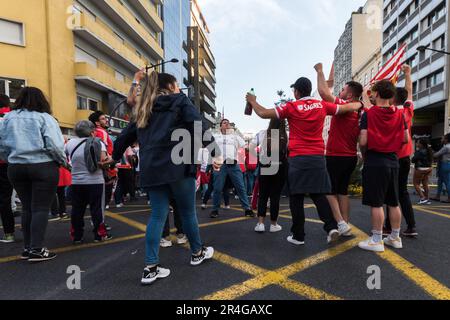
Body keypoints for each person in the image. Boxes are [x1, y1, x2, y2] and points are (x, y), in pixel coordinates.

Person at [114, 70, 218, 285]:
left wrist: (113, 158)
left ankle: (150, 267)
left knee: (157, 215)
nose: (178, 88)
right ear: (171, 86)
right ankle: (197, 253)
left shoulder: (144, 108)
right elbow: (198, 125)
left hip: (152, 168)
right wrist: (215, 152)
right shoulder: (179, 100)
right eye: (177, 84)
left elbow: (124, 136)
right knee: (188, 212)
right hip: (179, 165)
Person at [246, 75, 363, 245]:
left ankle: (298, 236)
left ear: (297, 92)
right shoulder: (322, 105)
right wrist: (359, 103)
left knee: (296, 197)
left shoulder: (292, 106)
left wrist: (252, 101)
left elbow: (263, 113)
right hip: (317, 157)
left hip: (298, 158)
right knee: (319, 195)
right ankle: (331, 227)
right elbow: (346, 108)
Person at [0, 87, 67, 262]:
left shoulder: (7, 118)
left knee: (27, 207)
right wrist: (63, 162)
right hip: (42, 165)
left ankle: (28, 248)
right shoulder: (45, 118)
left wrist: (10, 159)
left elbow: (2, 145)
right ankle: (37, 249)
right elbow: (54, 145)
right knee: (40, 208)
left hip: (15, 166)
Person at [358, 80, 409, 253]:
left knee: (377, 203)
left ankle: (377, 239)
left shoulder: (369, 114)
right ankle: (395, 237)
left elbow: (363, 140)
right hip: (393, 160)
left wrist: (364, 153)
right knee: (394, 202)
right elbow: (405, 139)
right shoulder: (399, 114)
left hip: (375, 160)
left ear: (377, 94)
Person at [316, 63, 363, 236]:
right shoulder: (358, 110)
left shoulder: (346, 105)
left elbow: (324, 93)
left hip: (336, 156)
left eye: (342, 89)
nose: (340, 92)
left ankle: (341, 223)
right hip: (350, 157)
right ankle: (346, 224)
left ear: (349, 94)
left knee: (328, 190)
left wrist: (320, 71)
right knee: (342, 191)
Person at [65, 121, 113, 244]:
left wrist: (72, 169)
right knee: (97, 208)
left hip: (76, 181)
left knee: (77, 209)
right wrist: (111, 163)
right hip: (95, 181)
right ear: (92, 131)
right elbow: (103, 161)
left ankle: (77, 235)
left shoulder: (70, 143)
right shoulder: (98, 142)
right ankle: (99, 234)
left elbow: (63, 159)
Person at [385, 65, 417, 237]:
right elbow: (409, 91)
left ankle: (388, 226)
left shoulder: (391, 113)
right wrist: (407, 74)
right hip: (405, 157)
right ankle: (411, 226)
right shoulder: (407, 111)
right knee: (402, 191)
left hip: (392, 157)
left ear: (393, 99)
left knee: (391, 193)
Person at [210, 119, 254, 219]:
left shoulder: (235, 136)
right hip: (220, 164)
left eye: (228, 123)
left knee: (241, 187)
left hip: (234, 164)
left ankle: (247, 209)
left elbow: (245, 146)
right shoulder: (216, 137)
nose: (227, 124)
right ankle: (214, 210)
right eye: (224, 123)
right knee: (217, 188)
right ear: (220, 126)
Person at [251, 118, 288, 233]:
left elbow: (251, 147)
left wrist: (258, 159)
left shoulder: (262, 133)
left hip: (265, 165)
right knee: (275, 197)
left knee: (263, 195)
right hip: (280, 167)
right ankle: (273, 224)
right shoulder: (286, 134)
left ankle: (260, 224)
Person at [89, 111, 117, 212]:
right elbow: (103, 150)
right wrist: (109, 166)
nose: (106, 120)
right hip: (104, 166)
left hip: (96, 166)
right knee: (104, 196)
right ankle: (99, 222)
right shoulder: (101, 132)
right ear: (97, 123)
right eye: (103, 119)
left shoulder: (93, 132)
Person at [0, 94, 15, 243]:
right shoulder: (16, 118)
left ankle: (9, 234)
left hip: (2, 164)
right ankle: (31, 233)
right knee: (27, 198)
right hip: (21, 161)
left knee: (4, 199)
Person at [412, 139, 433, 205]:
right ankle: (427, 198)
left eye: (417, 143)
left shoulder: (419, 151)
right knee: (425, 184)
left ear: (421, 144)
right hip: (428, 169)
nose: (416, 144)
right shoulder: (429, 150)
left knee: (416, 184)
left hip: (420, 169)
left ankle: (422, 198)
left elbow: (413, 160)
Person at [433, 134, 450, 203]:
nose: (441, 140)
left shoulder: (446, 147)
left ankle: (449, 198)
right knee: (440, 181)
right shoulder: (446, 146)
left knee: (447, 182)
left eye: (442, 138)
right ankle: (437, 196)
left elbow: (436, 155)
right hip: (447, 164)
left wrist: (432, 152)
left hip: (445, 164)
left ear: (446, 139)